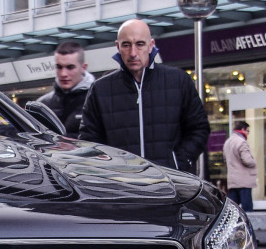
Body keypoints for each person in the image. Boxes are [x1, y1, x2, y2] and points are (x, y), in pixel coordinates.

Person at [78, 18, 210, 172]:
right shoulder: (101, 89)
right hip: (122, 185)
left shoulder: (178, 81)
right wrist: (108, 169)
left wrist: (179, 162)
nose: (133, 53)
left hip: (170, 182)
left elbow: (199, 128)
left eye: (139, 44)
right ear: (118, 47)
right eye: (126, 45)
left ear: (151, 45)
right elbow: (89, 140)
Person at [36, 41, 95, 135]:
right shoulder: (42, 104)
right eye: (59, 67)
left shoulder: (97, 100)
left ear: (83, 67)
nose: (63, 74)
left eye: (70, 67)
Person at [222, 121, 256, 211]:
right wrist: (254, 162)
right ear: (242, 129)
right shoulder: (241, 142)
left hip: (233, 181)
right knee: (247, 208)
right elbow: (247, 160)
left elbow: (225, 159)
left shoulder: (227, 142)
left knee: (233, 209)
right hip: (243, 181)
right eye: (247, 131)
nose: (248, 133)